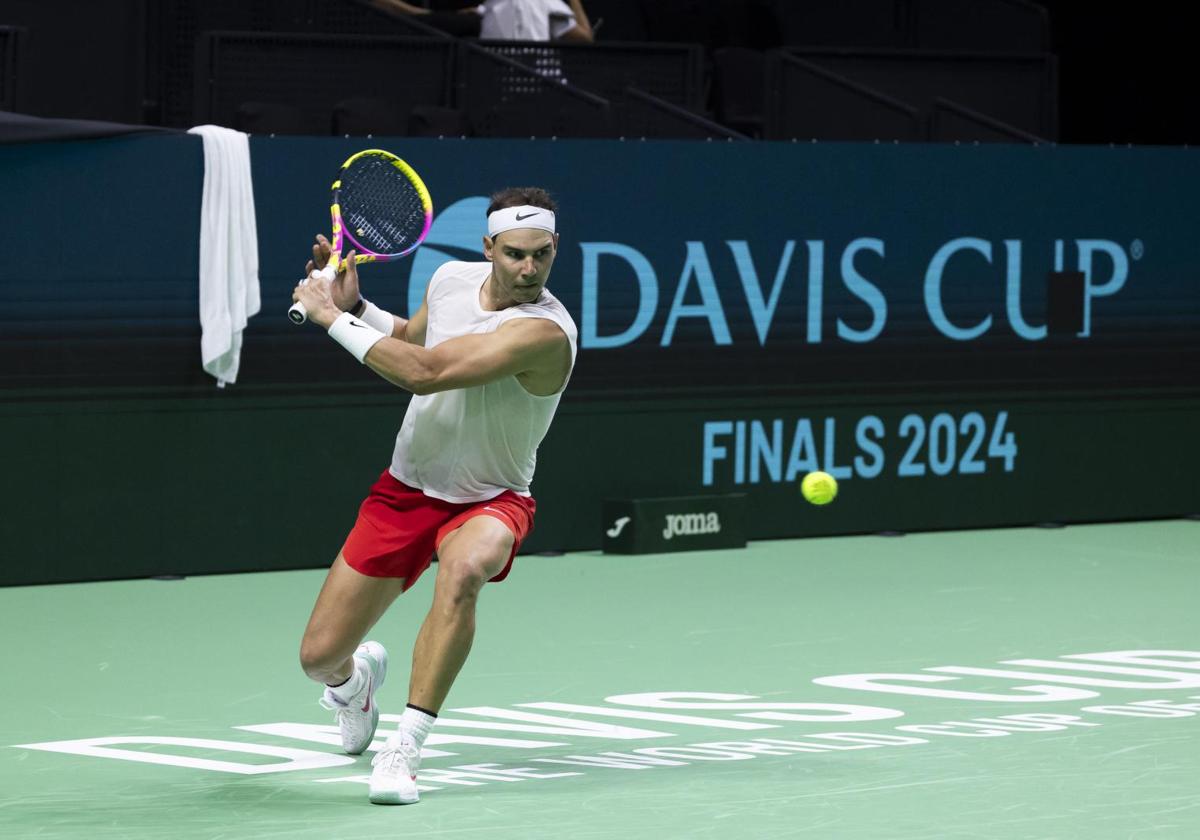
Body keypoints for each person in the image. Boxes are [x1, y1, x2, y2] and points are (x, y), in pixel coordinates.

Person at [290, 187, 577, 805]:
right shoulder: (449, 279)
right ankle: (354, 686)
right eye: (515, 254)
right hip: (405, 491)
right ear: (488, 248)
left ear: (555, 250)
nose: (529, 269)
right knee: (318, 658)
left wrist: (327, 317)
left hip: (491, 497)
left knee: (466, 566)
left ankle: (405, 748)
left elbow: (426, 374)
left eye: (542, 255)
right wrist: (356, 306)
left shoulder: (545, 332)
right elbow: (417, 342)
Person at [372, 0, 594, 42]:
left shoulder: (546, 4)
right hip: (499, 94)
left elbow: (584, 38)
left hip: (545, 93)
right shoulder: (486, 12)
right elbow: (585, 36)